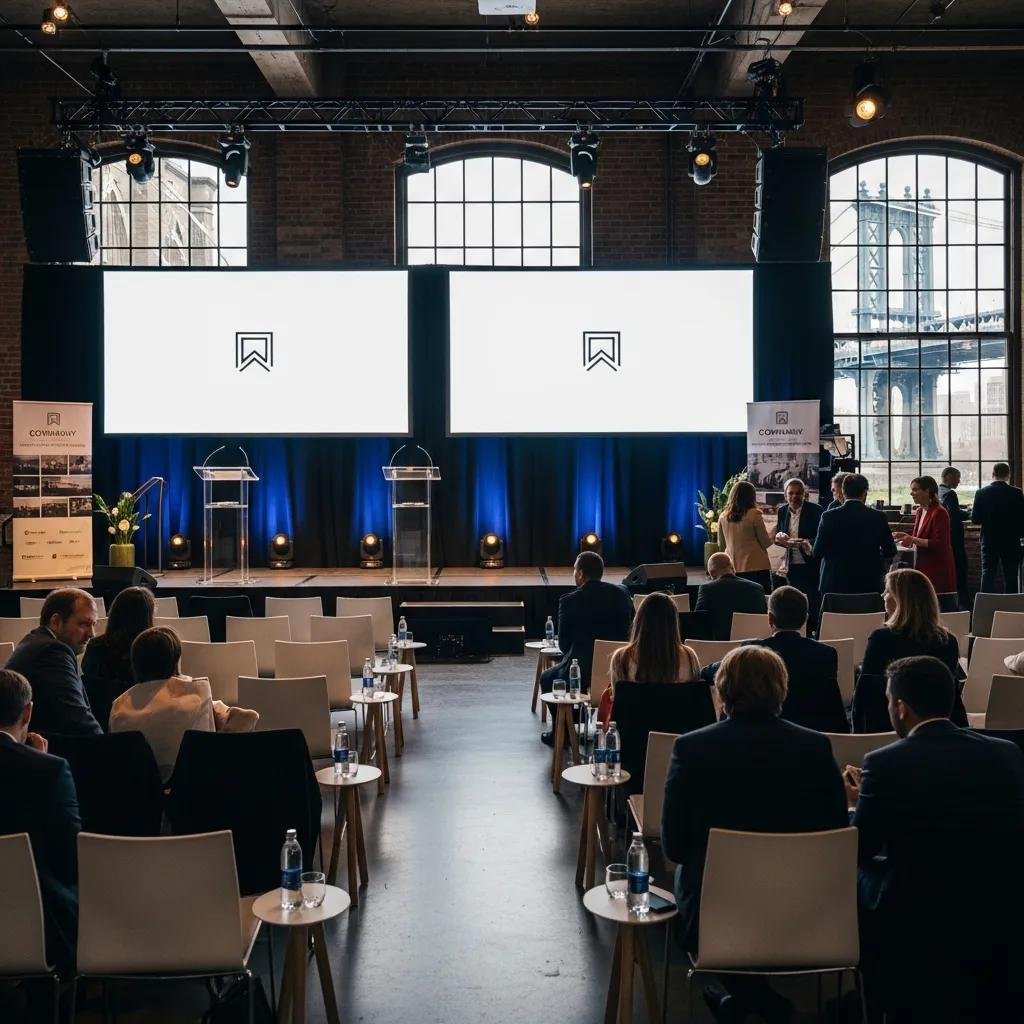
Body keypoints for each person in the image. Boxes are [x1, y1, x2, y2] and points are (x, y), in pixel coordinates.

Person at [662, 646, 848, 1024]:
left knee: (686, 879)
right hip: (809, 913)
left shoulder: (691, 748)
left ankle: (761, 1004)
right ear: (781, 688)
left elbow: (675, 847)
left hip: (716, 915)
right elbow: (836, 833)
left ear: (723, 689)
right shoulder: (815, 747)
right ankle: (753, 1003)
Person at [844, 656, 1024, 1020]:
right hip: (997, 899)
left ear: (900, 707)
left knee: (855, 878)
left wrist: (857, 800)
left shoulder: (883, 763)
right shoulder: (1007, 753)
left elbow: (860, 850)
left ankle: (867, 993)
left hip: (917, 904)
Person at [0, 669, 80, 970]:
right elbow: (70, 859)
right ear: (28, 712)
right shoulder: (50, 771)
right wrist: (39, 759)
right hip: (41, 927)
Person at [110, 627, 258, 783]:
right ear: (176, 662)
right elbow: (249, 718)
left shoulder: (119, 707)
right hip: (196, 791)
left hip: (139, 797)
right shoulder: (197, 695)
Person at [701, 586, 848, 734]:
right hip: (809, 735)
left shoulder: (753, 649)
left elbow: (710, 672)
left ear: (770, 618)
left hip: (758, 733)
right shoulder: (826, 654)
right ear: (806, 619)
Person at [852, 569, 965, 732]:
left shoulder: (881, 638)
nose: (884, 596)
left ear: (901, 600)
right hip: (935, 730)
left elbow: (865, 696)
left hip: (886, 727)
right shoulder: (947, 641)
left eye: (888, 591)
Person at [539, 551, 633, 745]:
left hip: (581, 673)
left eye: (574, 569)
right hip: (620, 670)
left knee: (548, 678)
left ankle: (563, 731)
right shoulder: (622, 595)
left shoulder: (569, 601)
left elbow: (564, 645)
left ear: (581, 574)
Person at [597, 592, 701, 727]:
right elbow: (694, 703)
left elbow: (619, 704)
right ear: (674, 622)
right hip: (677, 737)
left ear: (639, 620)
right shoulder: (689, 657)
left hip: (633, 738)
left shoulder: (621, 658)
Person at [6, 588, 101, 737]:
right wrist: (108, 751)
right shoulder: (53, 652)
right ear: (56, 622)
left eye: (93, 624)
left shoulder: (36, 640)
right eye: (84, 624)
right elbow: (77, 718)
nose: (92, 634)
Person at [81, 585, 156, 732]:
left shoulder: (95, 646)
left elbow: (87, 675)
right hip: (140, 722)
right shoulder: (150, 650)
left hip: (98, 722)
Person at [813, 473, 897, 596]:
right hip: (869, 583)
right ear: (865, 492)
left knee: (835, 616)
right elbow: (890, 551)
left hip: (835, 583)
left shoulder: (828, 516)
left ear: (843, 491)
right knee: (869, 616)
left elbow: (817, 552)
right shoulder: (878, 517)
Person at [893, 475, 957, 597]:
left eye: (915, 489)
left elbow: (940, 544)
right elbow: (918, 538)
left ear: (927, 491)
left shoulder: (939, 512)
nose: (912, 493)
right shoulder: (920, 511)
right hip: (922, 563)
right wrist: (906, 537)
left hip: (937, 566)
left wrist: (912, 539)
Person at [773, 478, 823, 624]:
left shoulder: (816, 510)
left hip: (809, 562)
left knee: (812, 601)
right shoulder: (782, 511)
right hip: (789, 563)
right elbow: (779, 532)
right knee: (792, 601)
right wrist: (779, 536)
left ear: (804, 495)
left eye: (798, 493)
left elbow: (821, 538)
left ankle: (812, 630)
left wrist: (806, 543)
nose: (795, 496)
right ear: (785, 495)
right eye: (791, 493)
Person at [971, 462, 1024, 594]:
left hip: (989, 540)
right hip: (1011, 540)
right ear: (1008, 475)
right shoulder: (1017, 493)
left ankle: (985, 607)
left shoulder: (981, 493)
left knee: (988, 573)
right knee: (1011, 575)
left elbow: (975, 519)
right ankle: (1010, 609)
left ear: (993, 474)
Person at [694, 552, 768, 641]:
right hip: (752, 645)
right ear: (733, 569)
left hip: (718, 646)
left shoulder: (707, 589)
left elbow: (698, 620)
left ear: (712, 573)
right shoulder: (757, 588)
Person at [718, 480, 773, 592]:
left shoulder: (723, 516)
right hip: (757, 567)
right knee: (760, 602)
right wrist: (774, 533)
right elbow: (766, 542)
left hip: (734, 568)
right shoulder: (754, 513)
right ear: (751, 496)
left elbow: (722, 545)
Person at [938, 466, 970, 610]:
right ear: (948, 477)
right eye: (957, 477)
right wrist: (970, 514)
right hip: (955, 541)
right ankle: (965, 607)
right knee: (961, 573)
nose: (959, 480)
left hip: (944, 539)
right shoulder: (950, 494)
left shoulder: (937, 492)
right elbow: (955, 516)